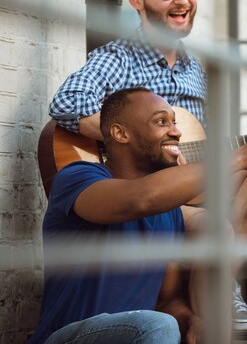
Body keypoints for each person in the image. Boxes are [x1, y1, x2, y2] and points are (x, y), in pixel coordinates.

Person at [49, 0, 247, 330]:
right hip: (142, 191)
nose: (182, 0)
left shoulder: (194, 69)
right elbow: (67, 103)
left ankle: (219, 290)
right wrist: (128, 143)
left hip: (191, 186)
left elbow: (199, 143)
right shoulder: (118, 57)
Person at [28, 88, 205, 344]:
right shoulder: (77, 177)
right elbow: (140, 198)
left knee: (164, 323)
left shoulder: (170, 211)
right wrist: (241, 158)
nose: (176, 132)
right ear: (121, 133)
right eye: (161, 122)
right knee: (157, 325)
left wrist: (189, 320)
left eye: (174, 122)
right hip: (67, 338)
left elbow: (167, 300)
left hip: (139, 334)